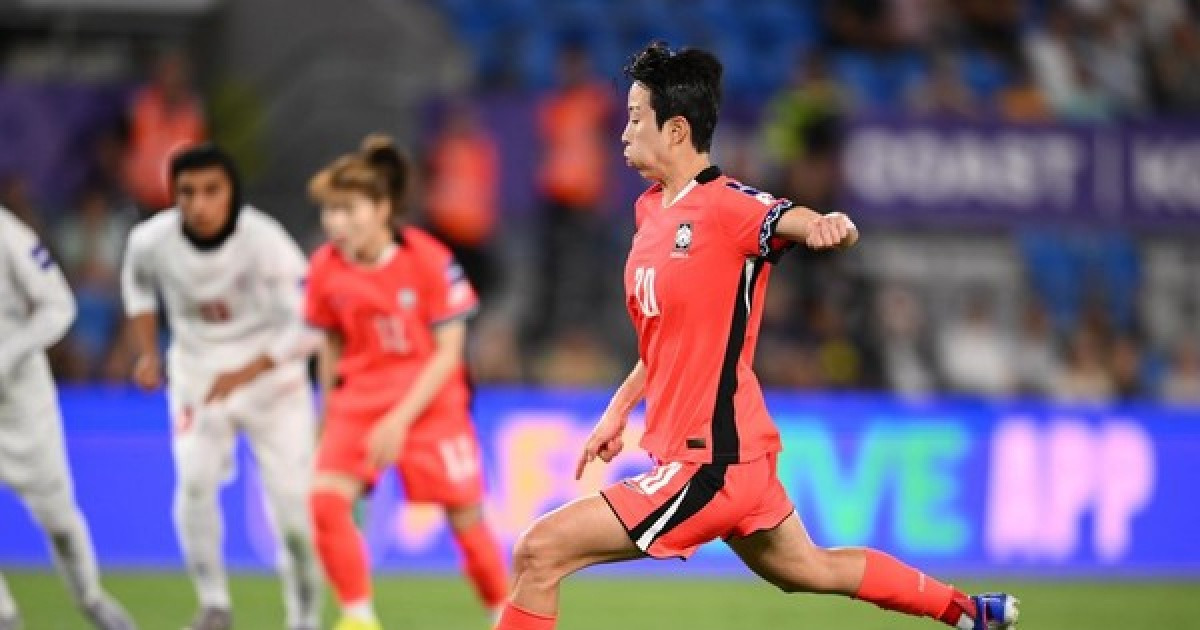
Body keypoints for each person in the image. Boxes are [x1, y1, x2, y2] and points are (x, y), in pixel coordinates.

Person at [493, 42, 1019, 630]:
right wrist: (618, 410)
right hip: (733, 457)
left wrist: (827, 226)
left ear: (675, 130)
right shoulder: (650, 212)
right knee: (810, 569)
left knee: (538, 552)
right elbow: (667, 342)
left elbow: (784, 216)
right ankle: (971, 612)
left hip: (710, 461)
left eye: (636, 118)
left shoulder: (725, 205)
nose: (623, 132)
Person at [217, 135, 508, 630]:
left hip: (431, 402)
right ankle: (358, 616)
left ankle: (503, 611)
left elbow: (449, 356)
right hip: (361, 397)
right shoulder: (325, 268)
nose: (336, 223)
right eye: (330, 211)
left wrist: (399, 421)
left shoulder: (430, 260)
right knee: (325, 501)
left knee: (466, 523)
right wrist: (326, 414)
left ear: (381, 208)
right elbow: (330, 345)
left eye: (348, 210)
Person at [119, 145, 321, 630]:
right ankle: (214, 605)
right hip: (197, 376)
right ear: (173, 195)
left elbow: (313, 325)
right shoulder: (150, 241)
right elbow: (139, 289)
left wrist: (246, 372)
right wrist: (147, 352)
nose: (199, 204)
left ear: (233, 193)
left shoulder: (265, 241)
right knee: (193, 486)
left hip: (274, 382)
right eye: (186, 192)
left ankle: (305, 619)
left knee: (294, 515)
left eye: (212, 191)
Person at [0, 206, 137, 630]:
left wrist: (7, 356)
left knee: (59, 521)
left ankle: (90, 598)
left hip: (20, 401)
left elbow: (58, 305)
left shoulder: (7, 233)